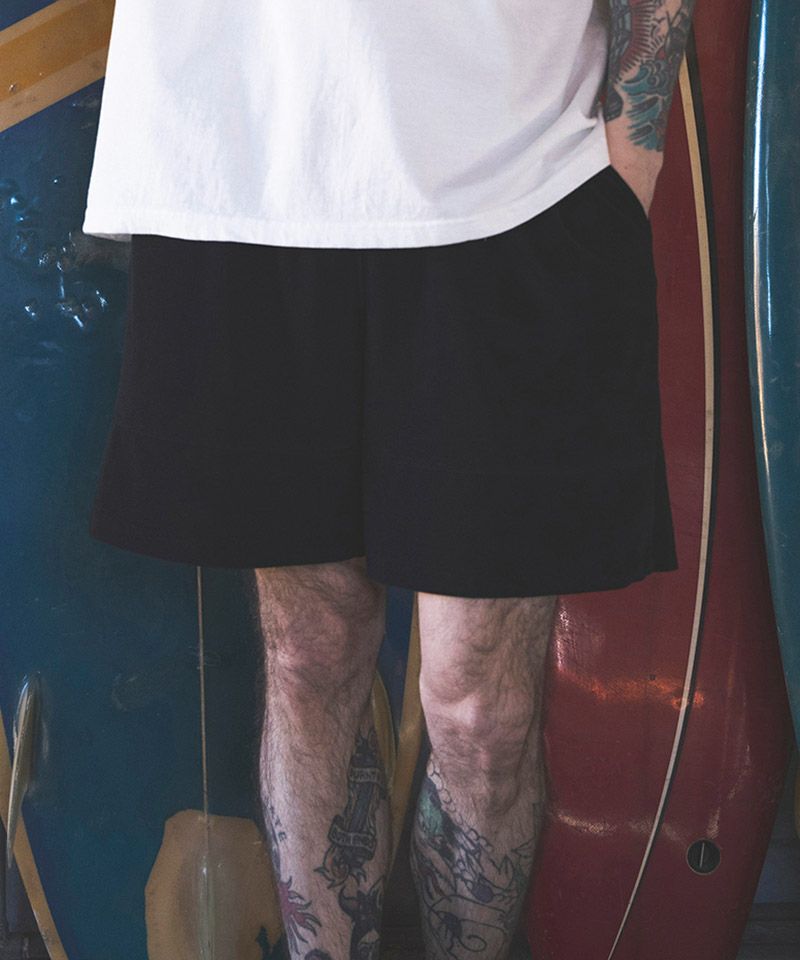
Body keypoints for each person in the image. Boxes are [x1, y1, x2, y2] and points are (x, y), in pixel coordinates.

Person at [82, 1, 693, 957]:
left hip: (522, 167)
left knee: (479, 709)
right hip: (243, 162)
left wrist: (631, 162)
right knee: (309, 655)